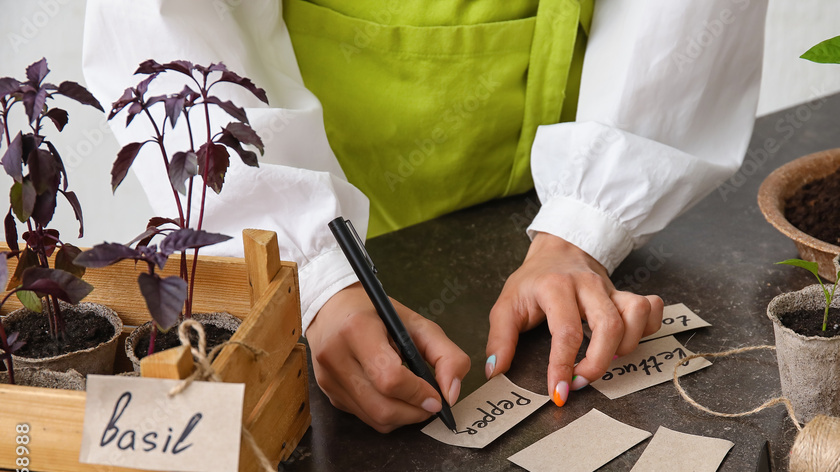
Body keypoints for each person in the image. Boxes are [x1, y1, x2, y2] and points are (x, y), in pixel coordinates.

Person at [82, 0, 767, 432]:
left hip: (556, 170)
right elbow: (165, 17)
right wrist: (316, 272)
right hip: (328, 171)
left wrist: (582, 228)